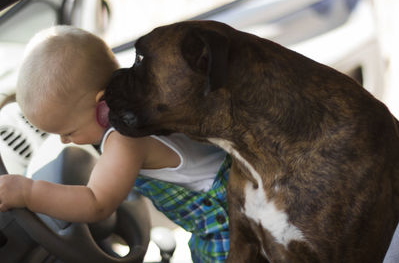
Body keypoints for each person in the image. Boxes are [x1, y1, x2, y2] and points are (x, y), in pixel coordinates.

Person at [0, 26, 230, 262]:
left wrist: (28, 193)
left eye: (68, 132)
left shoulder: (125, 139)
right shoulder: (146, 98)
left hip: (230, 222)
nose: (63, 141)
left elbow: (96, 203)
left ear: (102, 106)